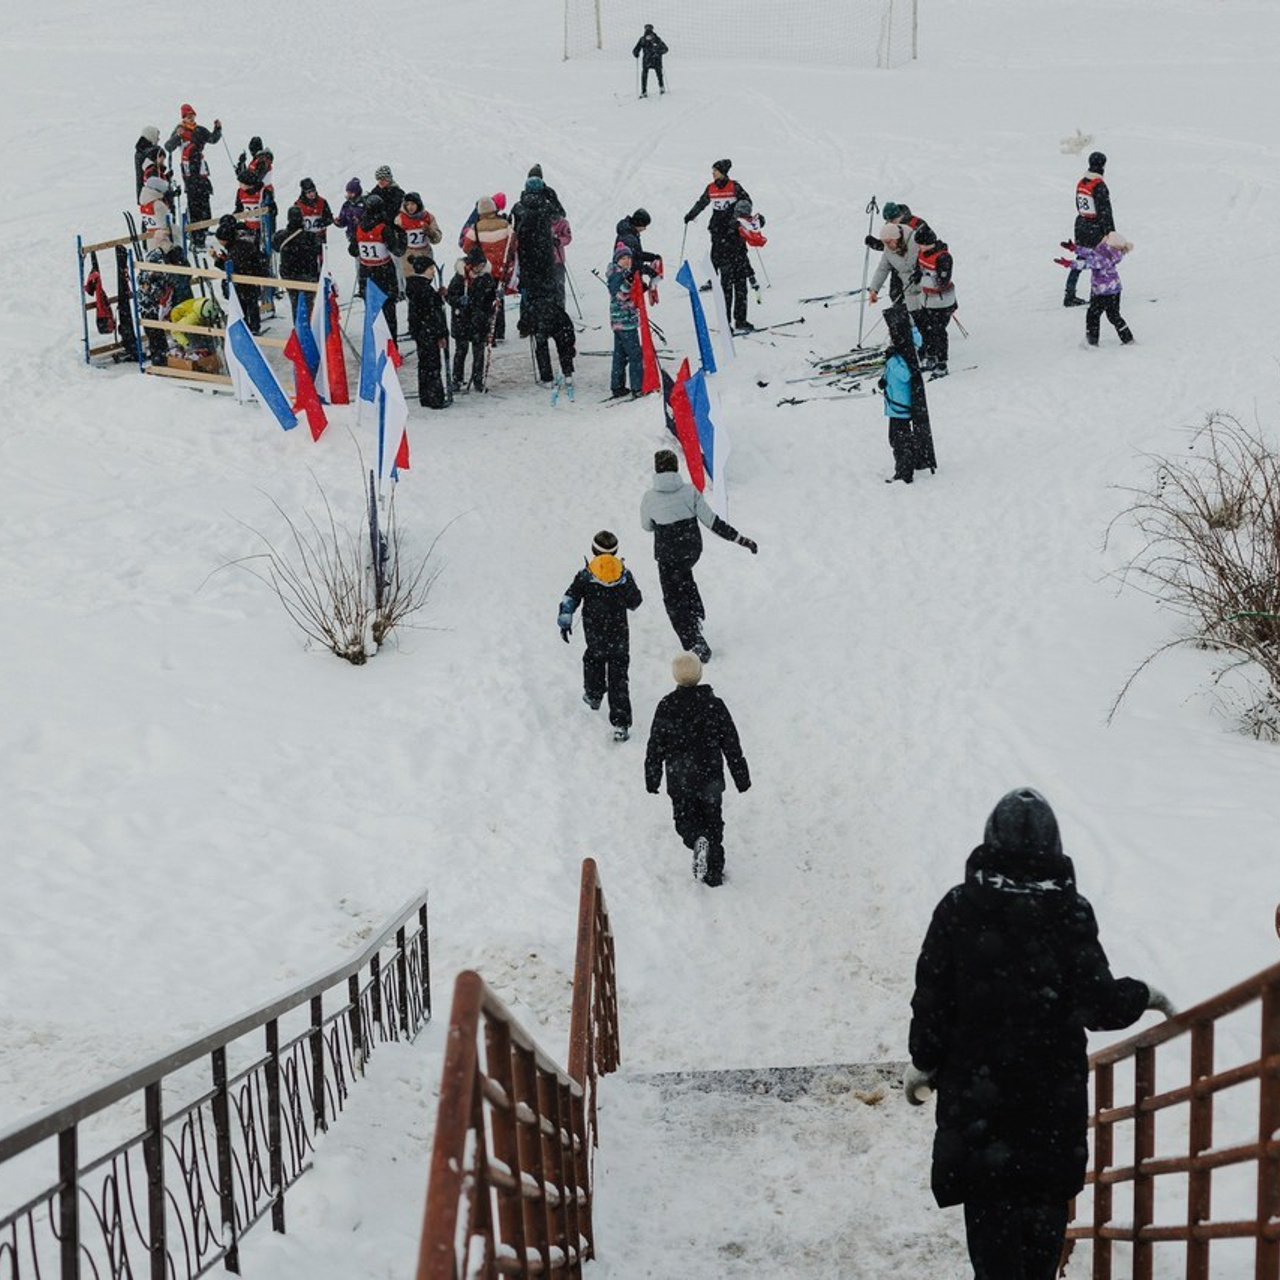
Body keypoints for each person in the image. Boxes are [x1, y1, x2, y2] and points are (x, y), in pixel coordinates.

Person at [905, 787, 1175, 1280]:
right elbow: (1099, 1005)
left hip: (978, 1117)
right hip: (1049, 1118)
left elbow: (932, 1003)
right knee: (1038, 1258)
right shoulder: (1069, 912)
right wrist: (1144, 994)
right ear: (1054, 846)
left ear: (989, 839)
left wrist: (923, 1062)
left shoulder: (958, 908)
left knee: (992, 1256)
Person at [639, 448, 757, 661]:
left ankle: (694, 642)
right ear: (676, 468)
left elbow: (646, 526)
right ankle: (695, 614)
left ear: (657, 470)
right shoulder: (689, 491)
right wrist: (740, 539)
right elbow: (712, 521)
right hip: (690, 550)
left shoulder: (649, 498)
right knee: (684, 575)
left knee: (673, 598)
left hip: (667, 555)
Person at [644, 652, 750, 887]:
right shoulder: (714, 705)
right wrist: (741, 776)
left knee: (685, 820)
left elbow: (655, 745)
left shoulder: (667, 706)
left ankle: (695, 839)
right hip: (709, 776)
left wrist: (653, 777)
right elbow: (731, 742)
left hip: (680, 778)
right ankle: (714, 872)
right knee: (713, 821)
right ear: (700, 674)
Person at [558, 530, 643, 742]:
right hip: (619, 635)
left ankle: (594, 695)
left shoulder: (585, 575)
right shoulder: (624, 575)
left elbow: (570, 597)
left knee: (593, 660)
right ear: (615, 551)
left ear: (593, 550)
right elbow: (635, 602)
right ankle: (621, 723)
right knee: (619, 677)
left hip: (595, 633)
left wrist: (565, 621)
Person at [882, 304, 937, 479]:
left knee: (899, 439)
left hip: (900, 405)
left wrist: (891, 360)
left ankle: (904, 472)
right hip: (897, 402)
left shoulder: (904, 348)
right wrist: (885, 379)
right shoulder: (908, 342)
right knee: (901, 437)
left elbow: (905, 374)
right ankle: (913, 461)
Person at [684, 160, 751, 301]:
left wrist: (739, 215)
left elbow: (747, 201)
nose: (713, 173)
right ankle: (713, 279)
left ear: (723, 172)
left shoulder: (734, 186)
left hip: (732, 227)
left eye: (715, 170)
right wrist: (691, 214)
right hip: (717, 227)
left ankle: (748, 276)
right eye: (713, 170)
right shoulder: (711, 187)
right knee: (715, 255)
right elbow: (702, 202)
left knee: (739, 253)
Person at [350, 192, 405, 340]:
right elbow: (398, 251)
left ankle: (375, 344)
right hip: (384, 272)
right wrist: (402, 236)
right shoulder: (383, 228)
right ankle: (390, 347)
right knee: (388, 313)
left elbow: (352, 250)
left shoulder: (360, 227)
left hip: (366, 273)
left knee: (373, 313)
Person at [1064, 151, 1114, 307]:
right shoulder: (1099, 185)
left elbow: (1078, 205)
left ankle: (1069, 293)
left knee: (1081, 258)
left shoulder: (1082, 182)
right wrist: (1110, 232)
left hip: (1081, 224)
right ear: (1103, 165)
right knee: (1101, 260)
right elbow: (1105, 211)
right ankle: (1099, 293)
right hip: (1095, 227)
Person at [446, 247, 497, 392]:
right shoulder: (459, 278)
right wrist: (459, 301)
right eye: (478, 265)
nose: (480, 268)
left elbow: (490, 298)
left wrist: (495, 300)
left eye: (482, 265)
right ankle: (457, 379)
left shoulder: (486, 277)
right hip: (462, 320)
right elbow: (450, 296)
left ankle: (478, 380)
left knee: (478, 352)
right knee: (461, 351)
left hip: (479, 321)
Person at [462, 195, 512, 340]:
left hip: (484, 269)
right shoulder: (504, 224)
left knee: (485, 300)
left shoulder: (476, 228)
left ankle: (488, 331)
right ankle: (499, 330)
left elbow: (466, 248)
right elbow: (513, 243)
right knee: (498, 298)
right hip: (500, 268)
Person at [1076, 232, 1135, 348]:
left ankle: (1091, 342)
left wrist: (1069, 263)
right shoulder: (1108, 251)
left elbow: (1089, 263)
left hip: (1102, 292)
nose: (1105, 236)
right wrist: (1074, 248)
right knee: (1114, 315)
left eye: (1108, 237)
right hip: (1114, 290)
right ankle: (1128, 338)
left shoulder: (1105, 256)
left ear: (1110, 242)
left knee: (1093, 315)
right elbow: (1091, 253)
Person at [405, 256, 449, 409]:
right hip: (429, 333)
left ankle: (425, 396)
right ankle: (436, 398)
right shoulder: (425, 290)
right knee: (433, 365)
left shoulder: (415, 287)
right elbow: (432, 315)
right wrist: (441, 334)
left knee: (424, 365)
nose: (433, 272)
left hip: (420, 332)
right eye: (431, 269)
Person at [212, 213, 268, 334]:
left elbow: (232, 269)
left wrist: (218, 261)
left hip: (243, 282)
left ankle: (247, 328)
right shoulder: (243, 243)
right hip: (252, 278)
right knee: (252, 304)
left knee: (243, 306)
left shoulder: (235, 250)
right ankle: (254, 326)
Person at [913, 227, 957, 375]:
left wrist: (921, 280)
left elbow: (941, 282)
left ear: (928, 243)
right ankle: (930, 356)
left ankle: (942, 362)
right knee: (926, 330)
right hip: (926, 300)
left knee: (938, 332)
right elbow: (919, 268)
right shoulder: (921, 253)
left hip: (942, 302)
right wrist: (917, 274)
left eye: (920, 244)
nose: (919, 247)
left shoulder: (943, 258)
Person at [606, 246, 643, 398]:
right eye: (623, 258)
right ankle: (637, 386)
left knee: (620, 355)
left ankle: (618, 386)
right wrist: (628, 284)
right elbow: (620, 295)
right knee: (635, 354)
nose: (627, 261)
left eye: (629, 258)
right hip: (625, 321)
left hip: (619, 321)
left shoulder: (622, 273)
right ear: (617, 260)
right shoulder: (617, 275)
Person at [271, 207, 321, 321]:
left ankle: (299, 328)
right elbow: (319, 250)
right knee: (308, 304)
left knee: (295, 303)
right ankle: (308, 328)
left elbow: (274, 246)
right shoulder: (311, 237)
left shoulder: (281, 236)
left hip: (289, 275)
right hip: (308, 275)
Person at [867, 221, 923, 315]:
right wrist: (874, 290)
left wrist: (920, 271)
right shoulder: (888, 249)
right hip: (909, 289)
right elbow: (882, 269)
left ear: (896, 237)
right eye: (884, 243)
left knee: (929, 320)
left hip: (925, 287)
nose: (887, 246)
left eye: (888, 242)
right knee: (916, 318)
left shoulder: (915, 240)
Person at [614, 208, 662, 281]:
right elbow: (630, 264)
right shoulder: (628, 238)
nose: (645, 228)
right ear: (639, 223)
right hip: (626, 280)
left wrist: (651, 257)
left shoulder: (631, 234)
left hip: (629, 277)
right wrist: (648, 270)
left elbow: (636, 254)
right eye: (644, 226)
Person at [293, 179, 334, 248]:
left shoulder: (322, 202)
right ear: (304, 193)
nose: (311, 194)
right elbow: (293, 223)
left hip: (319, 238)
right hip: (304, 239)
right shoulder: (298, 205)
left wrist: (323, 222)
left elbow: (330, 218)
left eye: (313, 191)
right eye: (308, 192)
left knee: (320, 257)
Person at [632, 23, 669, 97]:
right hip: (647, 60)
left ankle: (661, 87)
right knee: (645, 75)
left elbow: (665, 49)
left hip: (655, 60)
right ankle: (644, 91)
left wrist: (659, 52)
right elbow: (636, 48)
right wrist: (636, 52)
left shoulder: (657, 39)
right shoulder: (642, 39)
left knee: (659, 74)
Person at [335, 179, 365, 249]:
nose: (349, 195)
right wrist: (338, 222)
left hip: (364, 236)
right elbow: (343, 221)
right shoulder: (346, 205)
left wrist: (359, 221)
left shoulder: (364, 203)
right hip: (352, 237)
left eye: (351, 193)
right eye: (348, 192)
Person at [134, 125, 161, 200]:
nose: (159, 139)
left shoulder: (140, 150)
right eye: (157, 136)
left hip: (144, 192)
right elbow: (152, 174)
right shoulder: (148, 153)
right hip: (150, 193)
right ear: (151, 136)